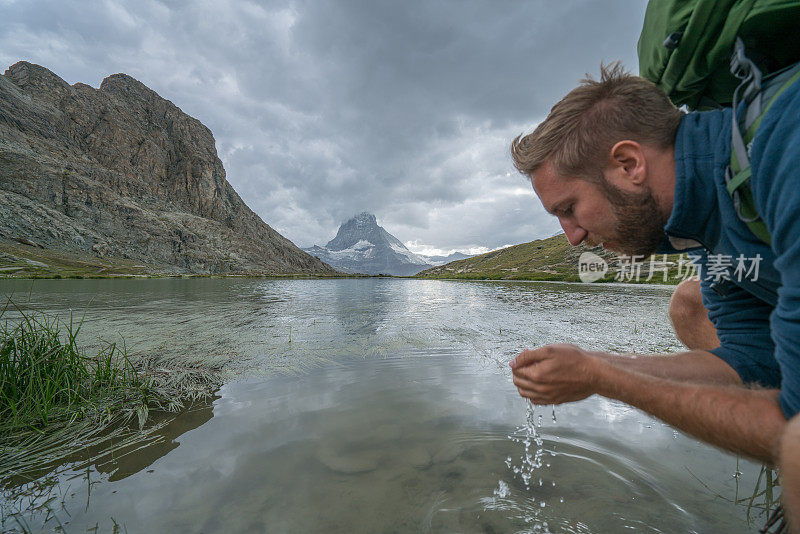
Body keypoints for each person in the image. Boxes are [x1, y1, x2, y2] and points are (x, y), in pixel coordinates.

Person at [509, 62, 800, 530]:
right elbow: (751, 361)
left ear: (629, 165)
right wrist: (597, 364)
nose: (573, 237)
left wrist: (607, 379)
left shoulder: (786, 149)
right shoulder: (699, 217)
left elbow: (788, 419)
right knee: (690, 301)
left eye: (569, 209)